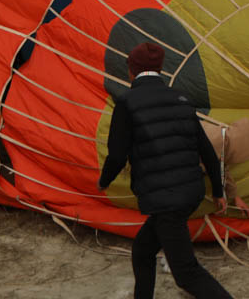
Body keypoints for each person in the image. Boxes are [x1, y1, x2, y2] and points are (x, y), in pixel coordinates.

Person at [99, 42, 233, 299]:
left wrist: (104, 181)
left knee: (186, 273)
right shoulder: (181, 99)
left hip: (165, 200)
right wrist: (218, 191)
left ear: (131, 70)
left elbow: (116, 155)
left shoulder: (127, 103)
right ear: (161, 69)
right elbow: (207, 151)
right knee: (142, 251)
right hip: (190, 192)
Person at [200, 117, 249, 217]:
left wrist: (235, 197)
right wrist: (218, 193)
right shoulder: (211, 140)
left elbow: (222, 167)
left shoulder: (223, 140)